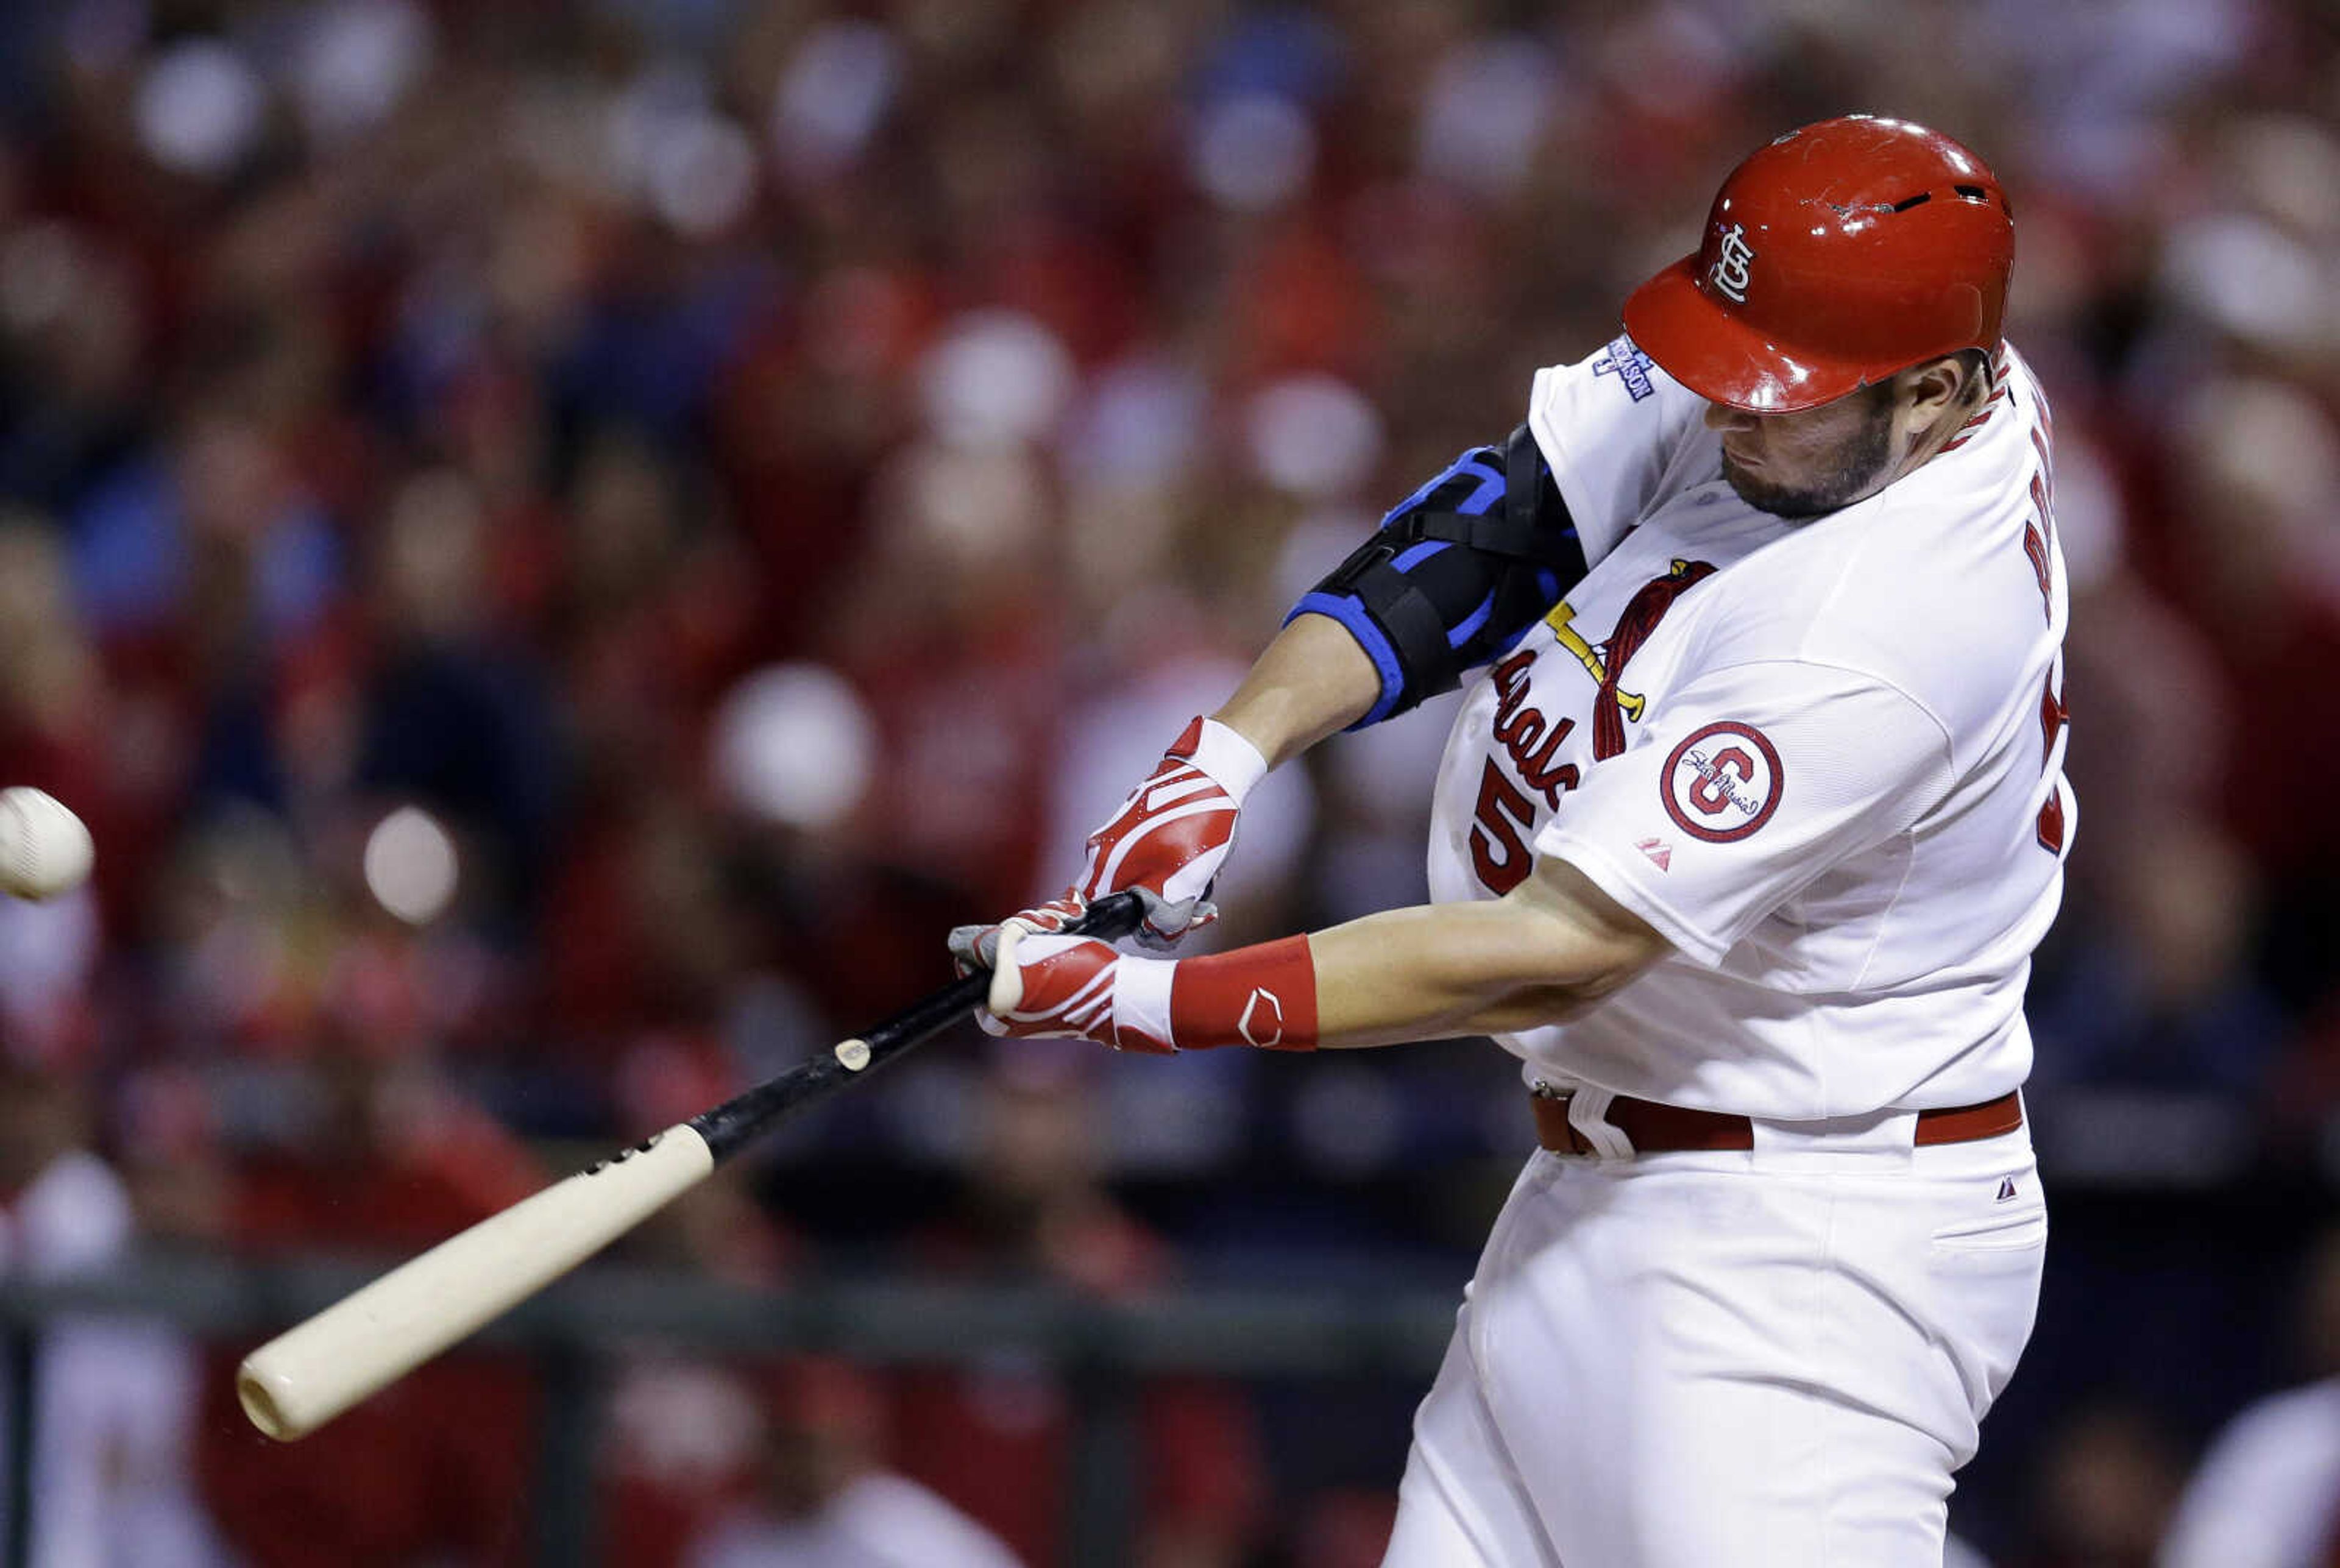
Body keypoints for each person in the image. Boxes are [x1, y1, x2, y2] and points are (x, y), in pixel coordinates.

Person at [959, 116, 2066, 1566]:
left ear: (1936, 397)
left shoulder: (1892, 623)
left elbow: (1553, 952)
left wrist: (1148, 1002)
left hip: (1801, 1248)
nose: (1725, 407)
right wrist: (1226, 752)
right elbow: (1509, 520)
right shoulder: (1858, 362)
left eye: (1772, 393)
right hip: (1607, 1184)